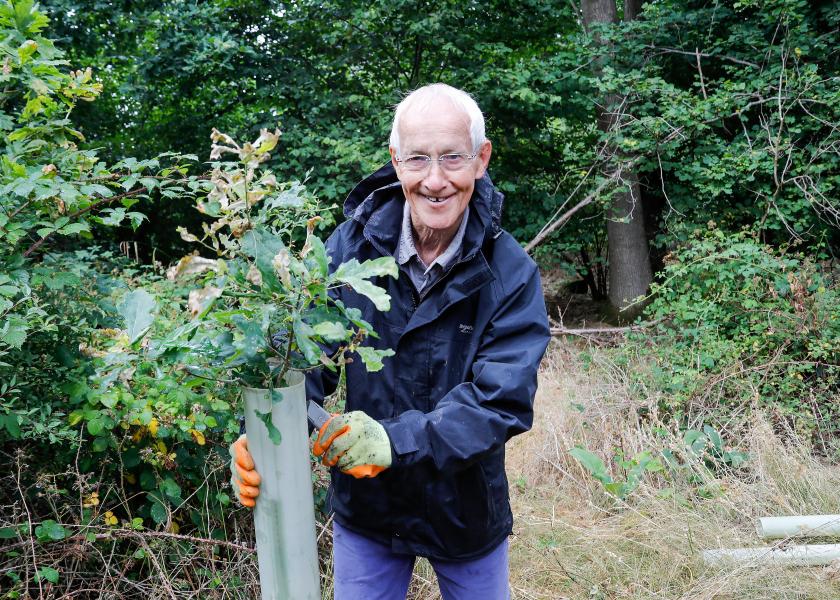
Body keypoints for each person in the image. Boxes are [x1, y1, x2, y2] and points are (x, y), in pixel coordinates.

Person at [230, 83, 550, 600]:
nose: (436, 180)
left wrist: (393, 442)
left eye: (452, 158)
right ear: (396, 161)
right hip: (369, 510)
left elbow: (500, 402)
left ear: (481, 160)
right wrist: (263, 435)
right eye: (418, 159)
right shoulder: (347, 250)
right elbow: (297, 360)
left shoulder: (510, 273)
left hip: (463, 511)